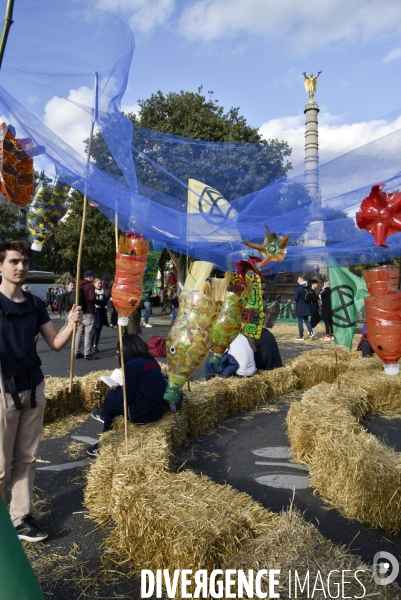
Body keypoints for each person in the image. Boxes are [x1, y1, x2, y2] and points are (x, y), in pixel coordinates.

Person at [0, 240, 82, 542]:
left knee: (27, 458)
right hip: (1, 391)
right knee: (0, 467)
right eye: (13, 262)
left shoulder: (35, 304)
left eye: (23, 262)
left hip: (33, 387)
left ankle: (20, 518)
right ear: (1, 266)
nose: (21, 267)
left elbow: (56, 343)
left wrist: (72, 324)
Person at [87, 334, 166, 457]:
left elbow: (127, 398)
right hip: (158, 411)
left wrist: (118, 388)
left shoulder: (130, 366)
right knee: (111, 410)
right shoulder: (152, 360)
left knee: (111, 395)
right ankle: (104, 418)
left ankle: (103, 441)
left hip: (140, 414)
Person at [75, 270, 97, 360]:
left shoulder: (79, 284)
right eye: (93, 276)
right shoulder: (90, 285)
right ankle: (87, 353)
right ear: (90, 277)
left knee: (79, 332)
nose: (94, 278)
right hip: (88, 311)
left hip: (80, 311)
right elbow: (91, 297)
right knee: (88, 333)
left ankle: (76, 352)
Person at [293, 275, 316, 341]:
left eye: (298, 279)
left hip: (300, 307)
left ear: (301, 280)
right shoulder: (308, 287)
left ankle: (301, 336)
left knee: (300, 321)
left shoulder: (299, 288)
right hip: (307, 306)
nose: (297, 280)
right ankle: (311, 333)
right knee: (306, 320)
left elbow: (295, 298)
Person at [91, 278, 109, 354]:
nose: (99, 285)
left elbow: (105, 301)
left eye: (100, 283)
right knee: (94, 330)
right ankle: (90, 346)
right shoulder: (92, 291)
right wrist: (101, 302)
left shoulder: (102, 292)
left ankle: (95, 346)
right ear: (94, 284)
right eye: (97, 283)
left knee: (99, 330)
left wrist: (104, 303)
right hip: (95, 312)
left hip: (101, 312)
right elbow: (95, 301)